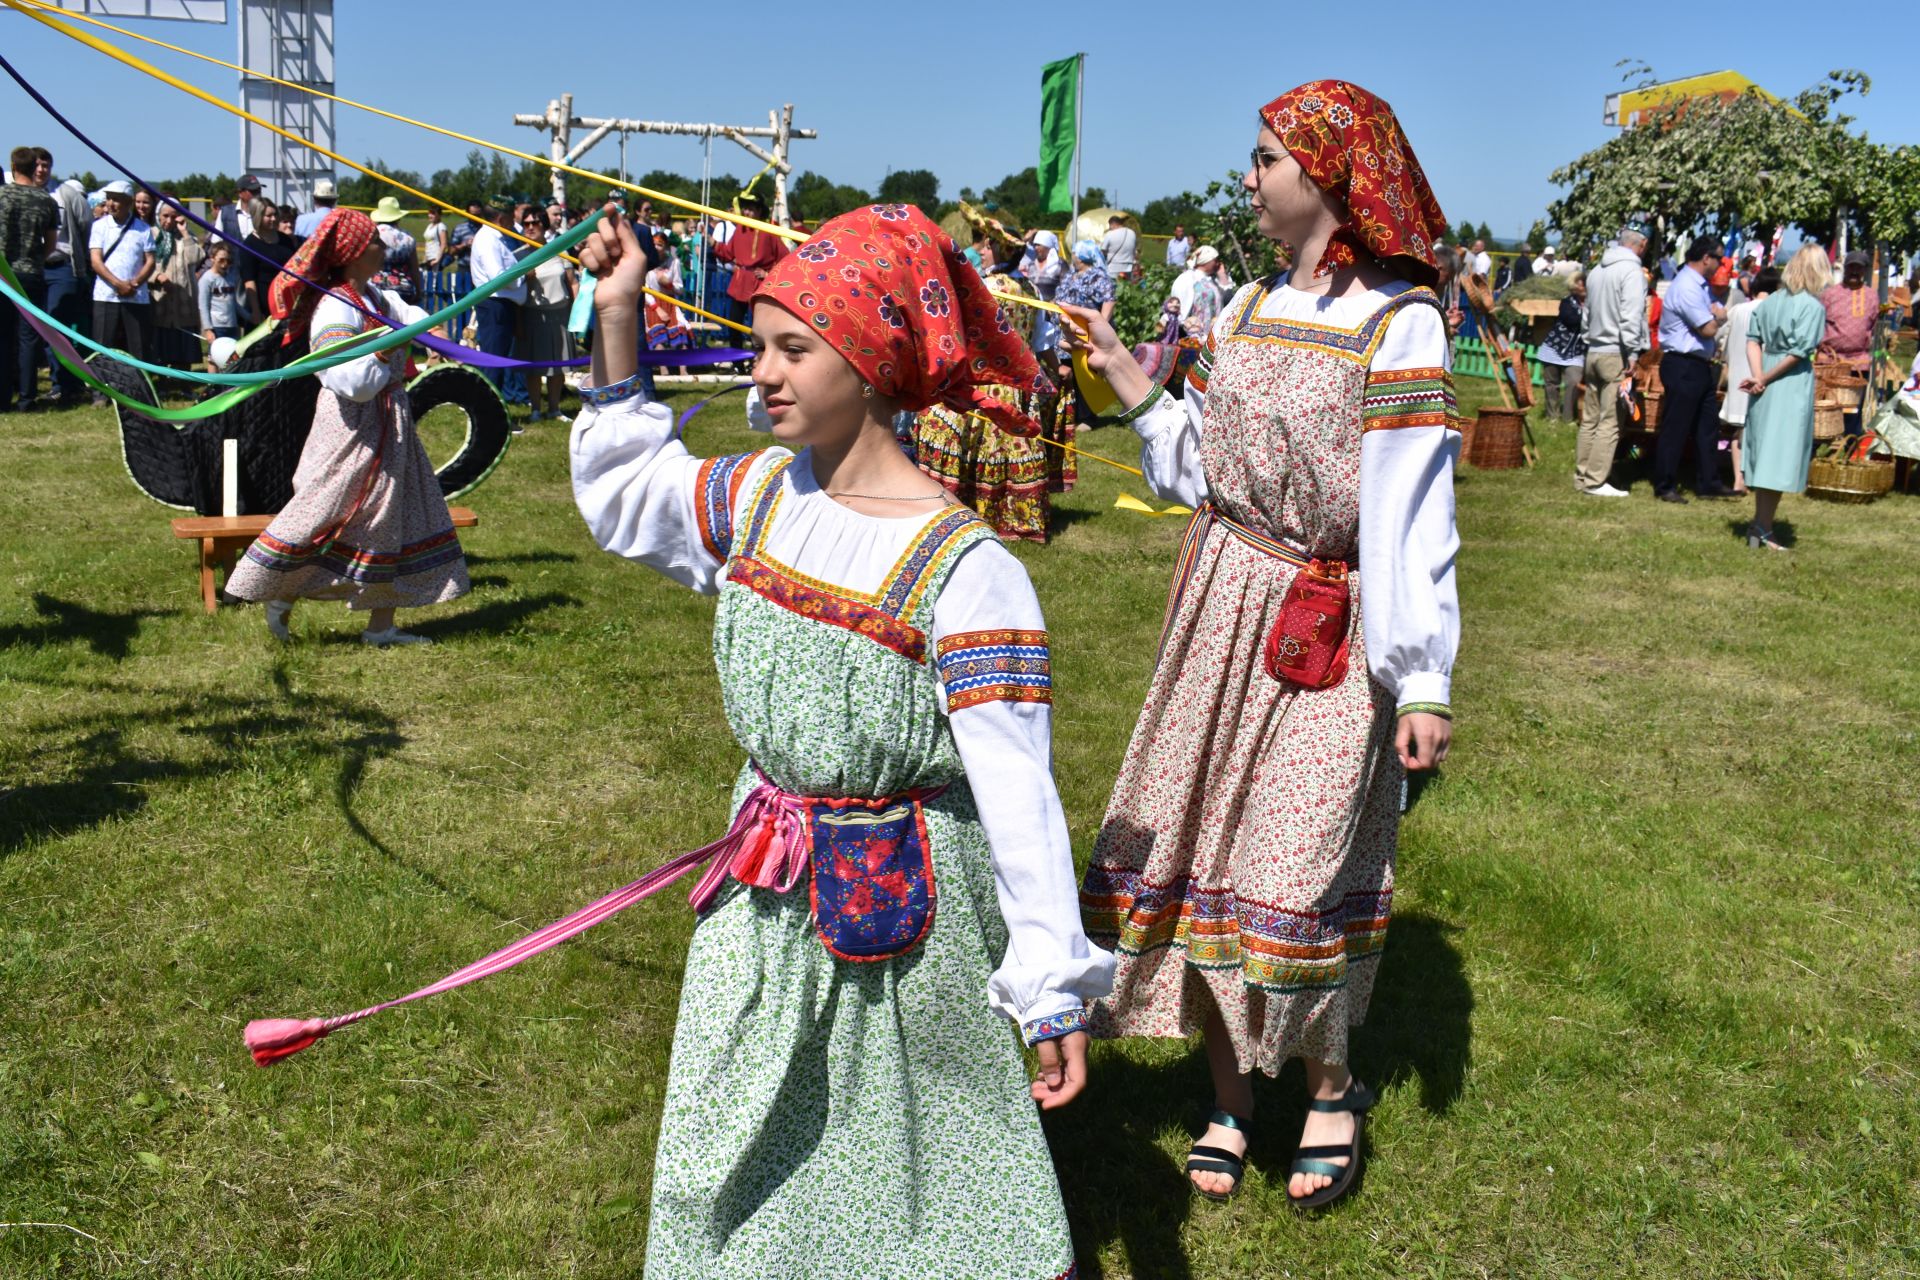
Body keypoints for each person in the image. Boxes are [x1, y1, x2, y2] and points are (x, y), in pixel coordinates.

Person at [568, 201, 1111, 1278]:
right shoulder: (764, 494)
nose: (759, 374)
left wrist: (1049, 979)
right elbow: (627, 489)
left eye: (792, 349)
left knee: (911, 1141)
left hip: (908, 919)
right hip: (763, 889)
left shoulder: (967, 570)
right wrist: (617, 309)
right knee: (734, 1123)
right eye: (757, 346)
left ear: (869, 364)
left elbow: (1019, 790)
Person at [1068, 78, 1457, 1211]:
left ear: (1330, 177)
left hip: (1329, 632)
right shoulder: (1240, 305)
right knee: (1206, 856)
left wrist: (1421, 675)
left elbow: (1408, 515)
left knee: (1300, 871)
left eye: (1266, 159)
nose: (1249, 177)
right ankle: (1233, 1094)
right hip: (1219, 609)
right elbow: (1206, 475)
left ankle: (1332, 1085)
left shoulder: (1400, 320)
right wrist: (1137, 383)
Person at [222, 209, 471, 644]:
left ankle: (381, 626)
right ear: (355, 253)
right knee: (326, 511)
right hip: (351, 429)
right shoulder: (335, 306)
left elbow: (410, 315)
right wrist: (388, 345)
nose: (383, 245)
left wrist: (436, 332)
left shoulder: (375, 296)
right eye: (374, 240)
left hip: (389, 425)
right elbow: (349, 383)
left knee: (394, 520)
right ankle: (279, 589)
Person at [909, 204, 1055, 542]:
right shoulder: (1031, 290)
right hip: (1018, 386)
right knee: (1011, 450)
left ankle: (971, 511)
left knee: (976, 448)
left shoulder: (984, 287)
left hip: (984, 380)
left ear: (999, 249)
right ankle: (1016, 518)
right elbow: (1041, 338)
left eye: (987, 245)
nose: (982, 251)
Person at [1740, 247, 1830, 552]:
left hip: (1766, 378)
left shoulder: (1770, 302)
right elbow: (1798, 353)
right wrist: (1762, 377)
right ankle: (1763, 528)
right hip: (1788, 383)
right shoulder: (1812, 307)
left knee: (1767, 454)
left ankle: (1759, 524)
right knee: (1778, 458)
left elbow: (1752, 339)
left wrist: (1758, 374)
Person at [1652, 235, 1733, 503]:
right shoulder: (1687, 286)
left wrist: (1716, 315)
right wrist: (1719, 317)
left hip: (1699, 365)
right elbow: (1708, 327)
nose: (1721, 264)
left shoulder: (1700, 286)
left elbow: (1713, 315)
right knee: (1676, 427)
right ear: (1706, 258)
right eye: (1719, 258)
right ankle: (1664, 485)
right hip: (1683, 364)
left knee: (1707, 426)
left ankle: (1709, 482)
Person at [1575, 220, 1651, 497]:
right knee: (1610, 420)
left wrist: (1589, 339)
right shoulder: (1632, 272)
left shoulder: (1596, 271)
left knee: (1590, 419)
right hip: (1615, 351)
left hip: (1593, 349)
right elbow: (1632, 314)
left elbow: (1587, 313)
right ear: (1640, 245)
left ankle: (1582, 475)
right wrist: (1632, 351)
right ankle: (1596, 481)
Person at [1, 144, 59, 412]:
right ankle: (27, 398)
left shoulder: (1, 196)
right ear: (33, 167)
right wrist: (35, 258)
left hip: (3, 275)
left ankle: (3, 397)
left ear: (13, 168)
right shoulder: (46, 200)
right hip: (32, 274)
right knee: (28, 339)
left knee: (2, 337)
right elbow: (51, 243)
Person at [35, 149, 91, 405]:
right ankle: (60, 383)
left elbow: (84, 224)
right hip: (34, 268)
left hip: (62, 267)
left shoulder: (65, 193)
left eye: (45, 165)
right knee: (39, 329)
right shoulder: (24, 192)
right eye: (36, 165)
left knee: (58, 327)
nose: (41, 170)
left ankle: (68, 384)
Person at [1719, 265, 1779, 497]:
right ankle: (1755, 477)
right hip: (1764, 374)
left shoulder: (1737, 310)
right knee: (1760, 431)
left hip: (1738, 375)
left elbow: (1721, 340)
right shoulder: (1774, 311)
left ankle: (1738, 478)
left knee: (1739, 430)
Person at [87, 180, 155, 364]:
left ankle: (139, 390)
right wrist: (118, 284)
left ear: (128, 202)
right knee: (102, 345)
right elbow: (96, 261)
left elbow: (150, 261)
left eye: (116, 200)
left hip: (136, 296)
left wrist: (134, 284)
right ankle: (101, 390)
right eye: (109, 199)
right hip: (105, 296)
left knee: (138, 347)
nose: (111, 204)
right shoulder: (99, 226)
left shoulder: (143, 229)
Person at [470, 201, 531, 405]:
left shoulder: (496, 238)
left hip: (501, 304)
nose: (514, 222)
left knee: (497, 359)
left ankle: (494, 408)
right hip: (495, 305)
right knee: (493, 361)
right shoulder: (488, 240)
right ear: (501, 218)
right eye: (511, 217)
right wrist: (524, 276)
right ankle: (488, 410)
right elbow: (498, 276)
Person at [519, 223, 577, 424]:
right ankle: (535, 409)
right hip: (533, 314)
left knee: (558, 365)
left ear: (544, 227)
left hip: (561, 313)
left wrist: (578, 312)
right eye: (527, 223)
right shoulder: (519, 255)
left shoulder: (560, 249)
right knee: (534, 366)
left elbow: (573, 283)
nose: (531, 227)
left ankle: (555, 408)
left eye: (536, 223)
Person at [1820, 250, 1877, 438]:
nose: (1854, 271)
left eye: (1858, 268)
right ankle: (1826, 448)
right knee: (1829, 407)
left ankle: (1850, 446)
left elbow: (1874, 328)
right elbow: (1818, 324)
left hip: (1859, 363)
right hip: (1831, 361)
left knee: (1853, 410)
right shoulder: (1829, 294)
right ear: (1845, 268)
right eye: (1851, 266)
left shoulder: (1871, 296)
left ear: (1864, 271)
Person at [712, 191, 788, 325]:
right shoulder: (740, 229)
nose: (746, 212)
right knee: (734, 324)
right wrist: (713, 243)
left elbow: (785, 257)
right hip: (740, 283)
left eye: (750, 209)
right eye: (745, 209)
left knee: (759, 327)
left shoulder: (769, 230)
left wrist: (768, 274)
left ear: (759, 211)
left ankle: (757, 347)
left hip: (759, 284)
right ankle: (736, 347)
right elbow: (728, 253)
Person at [147, 200, 206, 372]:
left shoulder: (188, 236)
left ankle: (184, 376)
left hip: (183, 300)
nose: (169, 220)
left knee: (183, 339)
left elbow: (195, 258)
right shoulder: (151, 234)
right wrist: (157, 276)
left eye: (174, 216)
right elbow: (142, 263)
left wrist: (185, 233)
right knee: (162, 339)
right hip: (160, 298)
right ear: (158, 216)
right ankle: (164, 377)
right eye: (165, 216)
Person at [1536, 271, 1587, 422]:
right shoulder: (1566, 302)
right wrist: (1588, 317)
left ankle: (1568, 418)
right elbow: (1569, 319)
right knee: (1552, 384)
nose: (1583, 285)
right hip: (1555, 348)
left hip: (1576, 352)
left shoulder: (1595, 302)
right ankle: (1553, 416)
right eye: (1580, 282)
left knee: (1573, 382)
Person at [239, 201, 299, 323]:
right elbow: (249, 281)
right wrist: (256, 310)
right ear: (258, 217)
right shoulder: (249, 245)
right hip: (264, 305)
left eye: (275, 214)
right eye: (269, 216)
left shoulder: (285, 240)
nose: (274, 218)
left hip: (287, 301)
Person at [367, 196, 421, 306]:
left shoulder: (372, 234)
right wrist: (419, 290)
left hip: (376, 286)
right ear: (398, 217)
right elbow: (414, 268)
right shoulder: (408, 238)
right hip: (403, 289)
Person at [1170, 244, 1231, 339]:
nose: (1218, 263)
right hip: (1193, 334)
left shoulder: (1213, 280)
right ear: (1207, 261)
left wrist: (1222, 276)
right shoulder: (1188, 278)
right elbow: (1180, 305)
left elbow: (1228, 299)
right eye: (1215, 260)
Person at [196, 241, 249, 347]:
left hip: (232, 325)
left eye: (228, 261)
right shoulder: (207, 279)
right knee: (215, 359)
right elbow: (203, 306)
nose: (225, 264)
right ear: (212, 258)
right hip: (217, 327)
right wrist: (208, 329)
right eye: (221, 260)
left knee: (233, 358)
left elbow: (234, 303)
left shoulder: (230, 277)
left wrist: (249, 316)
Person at [216, 174, 262, 247]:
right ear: (240, 193)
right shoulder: (225, 213)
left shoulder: (265, 214)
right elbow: (217, 241)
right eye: (253, 191)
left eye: (259, 190)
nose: (258, 194)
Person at [1102, 213, 1139, 280]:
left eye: (1110, 226)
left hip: (1113, 267)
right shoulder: (1132, 233)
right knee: (1125, 288)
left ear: (1112, 224)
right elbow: (1134, 250)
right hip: (1128, 267)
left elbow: (1103, 251)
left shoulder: (1110, 234)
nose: (1110, 228)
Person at [419, 206, 448, 272]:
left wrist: (437, 259)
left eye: (433, 213)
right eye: (429, 213)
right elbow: (427, 242)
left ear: (439, 215)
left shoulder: (441, 226)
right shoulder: (429, 226)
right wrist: (425, 258)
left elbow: (443, 244)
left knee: (434, 279)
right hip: (428, 257)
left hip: (435, 257)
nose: (430, 215)